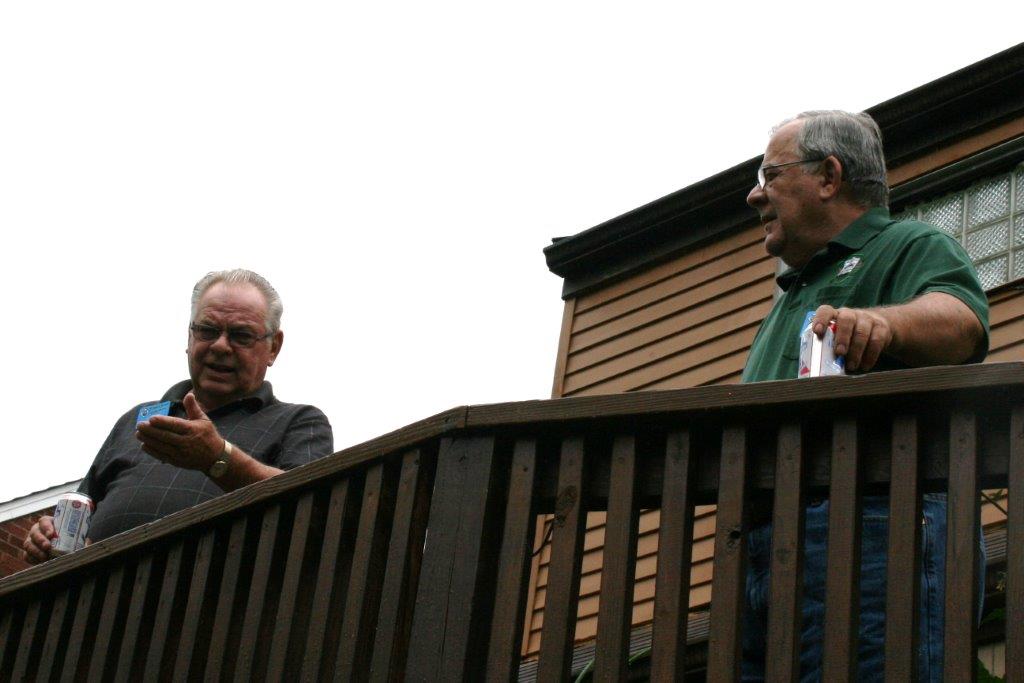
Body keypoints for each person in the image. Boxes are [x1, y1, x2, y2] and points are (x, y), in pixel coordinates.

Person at [740, 111, 989, 681]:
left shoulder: (908, 243)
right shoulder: (789, 294)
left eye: (770, 174)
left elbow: (962, 321)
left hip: (873, 529)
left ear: (829, 176)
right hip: (764, 549)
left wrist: (884, 324)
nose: (755, 195)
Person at [23, 269, 333, 560]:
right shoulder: (137, 419)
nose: (220, 346)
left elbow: (313, 514)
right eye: (207, 330)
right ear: (189, 337)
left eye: (241, 335)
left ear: (273, 347)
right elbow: (82, 510)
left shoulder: (301, 422)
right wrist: (50, 536)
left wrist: (217, 458)